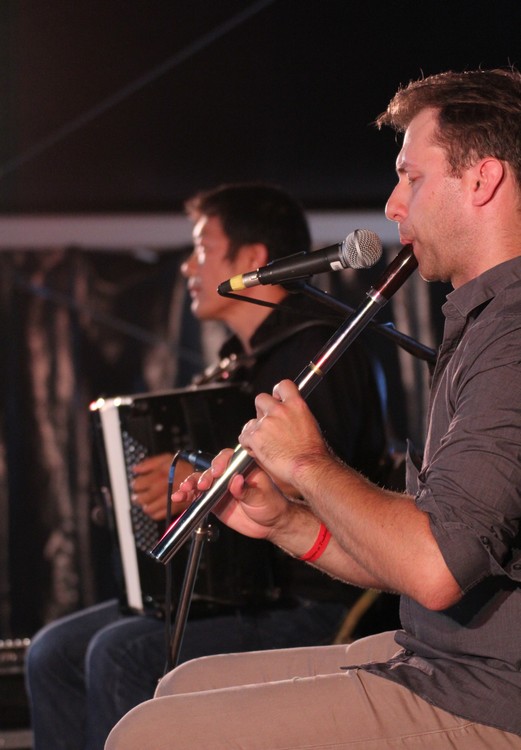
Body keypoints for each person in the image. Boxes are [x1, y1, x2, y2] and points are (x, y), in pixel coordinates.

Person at [106, 68, 521, 750]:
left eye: (411, 178)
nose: (392, 205)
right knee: (178, 686)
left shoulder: (510, 341)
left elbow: (433, 568)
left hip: (489, 693)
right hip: (442, 656)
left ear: (482, 181)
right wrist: (288, 523)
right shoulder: (482, 325)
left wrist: (307, 463)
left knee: (148, 733)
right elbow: (416, 555)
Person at [26, 183, 392, 750]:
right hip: (245, 591)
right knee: (52, 651)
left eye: (202, 249)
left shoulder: (320, 353)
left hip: (313, 598)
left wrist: (202, 479)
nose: (186, 267)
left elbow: (321, 482)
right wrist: (182, 482)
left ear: (252, 259)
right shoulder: (236, 365)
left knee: (118, 653)